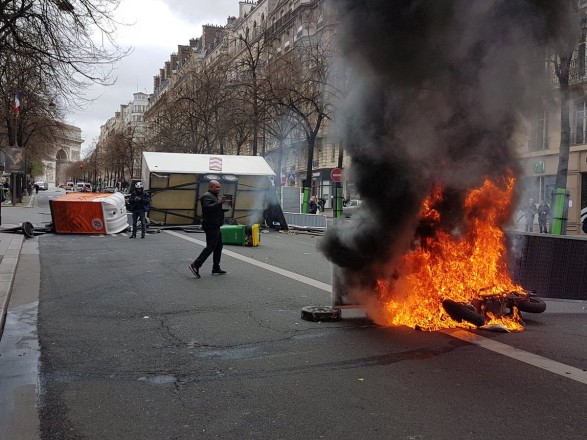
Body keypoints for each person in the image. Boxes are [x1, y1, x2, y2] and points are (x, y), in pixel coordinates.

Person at [188, 180, 231, 278]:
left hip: (216, 224)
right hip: (210, 224)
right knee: (211, 246)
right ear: (210, 187)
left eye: (219, 187)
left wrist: (227, 204)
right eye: (216, 187)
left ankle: (216, 267)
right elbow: (207, 209)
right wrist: (219, 202)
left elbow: (219, 209)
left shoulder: (215, 196)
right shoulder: (206, 196)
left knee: (219, 246)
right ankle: (195, 265)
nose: (219, 189)